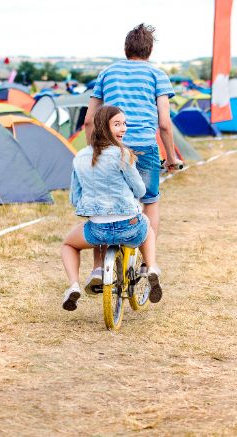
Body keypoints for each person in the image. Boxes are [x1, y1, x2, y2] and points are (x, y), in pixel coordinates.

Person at [83, 23, 181, 290]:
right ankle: (148, 263)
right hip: (145, 148)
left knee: (104, 201)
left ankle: (97, 268)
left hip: (110, 146)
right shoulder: (157, 75)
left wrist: (93, 152)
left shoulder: (107, 73)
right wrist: (171, 158)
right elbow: (164, 124)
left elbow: (89, 120)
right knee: (150, 201)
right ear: (149, 50)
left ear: (126, 48)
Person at [60, 106, 161, 310]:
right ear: (104, 127)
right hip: (130, 225)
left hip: (98, 229)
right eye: (117, 124)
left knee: (68, 245)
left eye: (124, 124)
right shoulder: (122, 154)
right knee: (147, 227)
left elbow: (74, 197)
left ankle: (74, 285)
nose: (123, 128)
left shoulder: (80, 157)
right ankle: (151, 268)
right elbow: (140, 190)